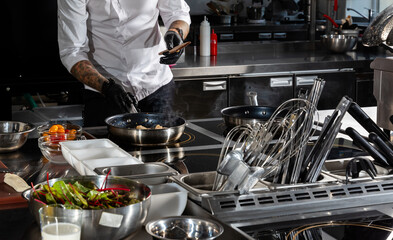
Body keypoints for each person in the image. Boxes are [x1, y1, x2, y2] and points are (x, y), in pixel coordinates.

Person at [57, 0, 191, 126]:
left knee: (166, 149)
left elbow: (178, 12)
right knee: (104, 150)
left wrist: (177, 32)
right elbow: (72, 51)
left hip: (157, 85)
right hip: (105, 92)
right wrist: (106, 87)